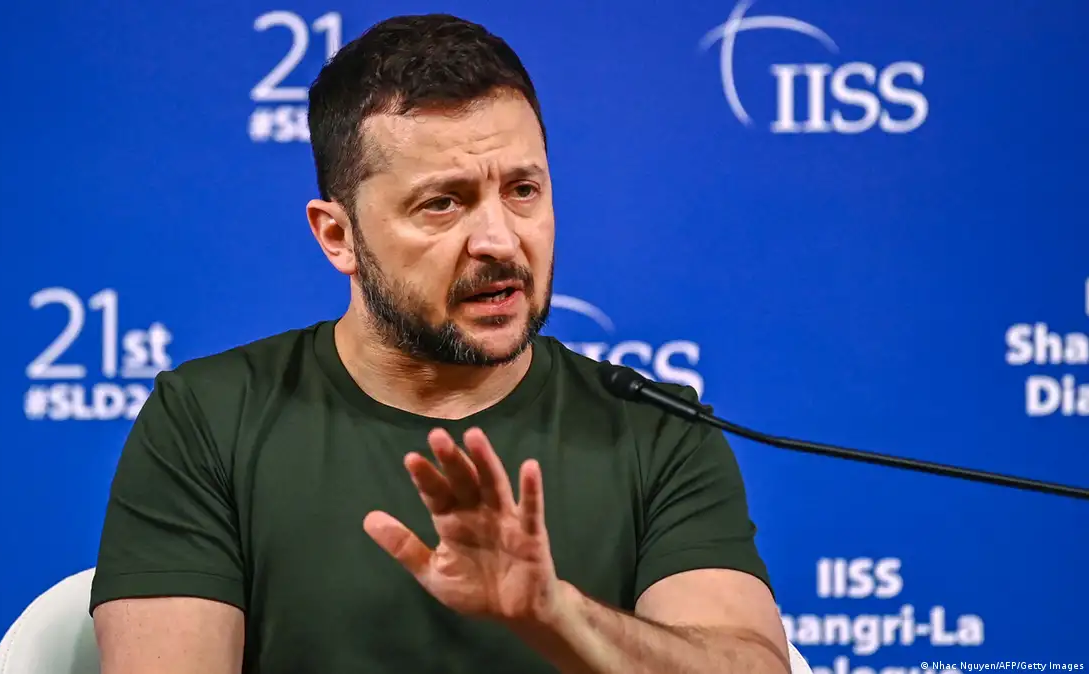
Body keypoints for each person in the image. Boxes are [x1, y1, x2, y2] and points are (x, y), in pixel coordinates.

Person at [88, 12, 790, 674]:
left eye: (522, 190)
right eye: (443, 203)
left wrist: (557, 613)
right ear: (338, 236)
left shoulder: (656, 429)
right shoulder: (210, 419)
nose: (499, 240)